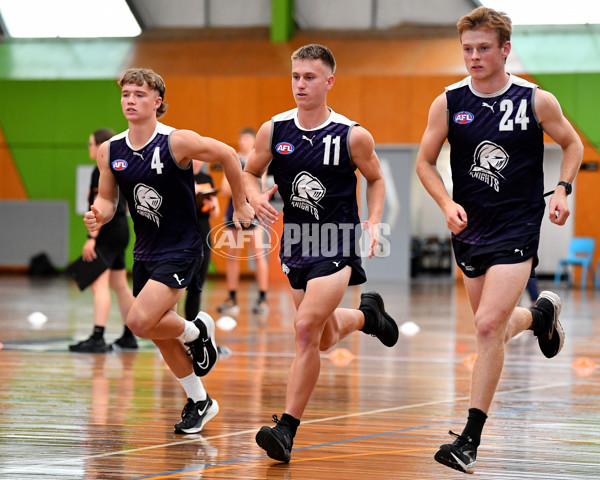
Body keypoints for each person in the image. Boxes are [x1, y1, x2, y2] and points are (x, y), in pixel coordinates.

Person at [415, 7, 583, 473]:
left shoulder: (535, 100)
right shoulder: (447, 102)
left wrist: (564, 188)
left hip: (518, 225)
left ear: (505, 49)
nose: (473, 57)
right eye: (467, 49)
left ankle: (469, 441)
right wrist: (446, 204)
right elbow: (424, 162)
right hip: (470, 230)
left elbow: (573, 144)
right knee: (495, 328)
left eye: (483, 48)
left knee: (488, 327)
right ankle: (541, 315)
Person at [243, 44, 399, 463]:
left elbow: (376, 178)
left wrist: (374, 219)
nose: (300, 84)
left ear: (329, 81)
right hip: (296, 244)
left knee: (305, 329)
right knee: (325, 336)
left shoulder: (352, 134)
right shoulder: (273, 130)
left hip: (337, 240)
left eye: (309, 77)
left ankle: (286, 429)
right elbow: (248, 171)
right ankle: (369, 316)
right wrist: (252, 196)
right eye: (295, 76)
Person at [84, 68, 255, 434]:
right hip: (145, 251)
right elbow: (108, 198)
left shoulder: (176, 141)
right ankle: (200, 401)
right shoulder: (110, 150)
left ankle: (195, 333)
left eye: (139, 94)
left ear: (157, 102)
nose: (131, 100)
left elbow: (227, 154)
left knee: (138, 321)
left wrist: (240, 204)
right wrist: (98, 214)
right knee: (161, 335)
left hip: (181, 247)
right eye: (126, 94)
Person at [69, 128, 137, 353]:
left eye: (90, 144)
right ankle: (130, 335)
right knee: (119, 284)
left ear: (101, 145)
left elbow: (99, 205)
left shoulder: (101, 170)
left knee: (100, 286)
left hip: (107, 231)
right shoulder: (121, 167)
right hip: (122, 229)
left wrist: (91, 237)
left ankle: (98, 337)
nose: (89, 148)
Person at [217, 127, 270, 315]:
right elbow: (224, 189)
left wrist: (238, 183)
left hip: (255, 213)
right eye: (241, 139)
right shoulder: (232, 159)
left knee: (258, 254)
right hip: (233, 212)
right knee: (233, 254)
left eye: (247, 139)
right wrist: (243, 185)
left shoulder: (258, 161)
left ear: (253, 142)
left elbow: (259, 187)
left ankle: (263, 298)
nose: (243, 143)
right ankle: (232, 297)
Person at [184, 160, 220, 321]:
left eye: (200, 159)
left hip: (203, 237)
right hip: (182, 238)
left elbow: (215, 214)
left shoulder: (207, 178)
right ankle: (170, 326)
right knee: (175, 286)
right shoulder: (179, 177)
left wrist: (212, 205)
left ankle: (191, 327)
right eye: (193, 159)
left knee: (196, 287)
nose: (197, 162)